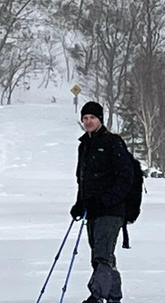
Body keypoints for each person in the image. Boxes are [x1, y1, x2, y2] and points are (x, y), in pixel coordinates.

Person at [70, 101, 134, 303]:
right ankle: (113, 296)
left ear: (100, 120)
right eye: (85, 118)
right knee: (103, 254)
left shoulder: (113, 143)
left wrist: (104, 201)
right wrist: (80, 203)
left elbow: (126, 179)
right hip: (93, 211)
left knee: (102, 256)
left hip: (111, 210)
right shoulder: (84, 145)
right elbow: (83, 179)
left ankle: (97, 295)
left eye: (92, 118)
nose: (88, 121)